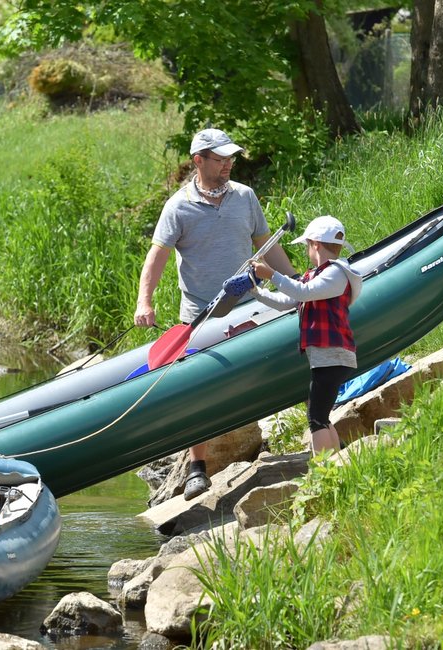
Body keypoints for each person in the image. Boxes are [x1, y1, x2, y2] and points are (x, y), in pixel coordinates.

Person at [134, 127, 295, 500]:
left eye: (230, 158)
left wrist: (296, 282)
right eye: (220, 159)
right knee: (197, 392)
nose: (228, 164)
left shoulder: (245, 196)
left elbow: (265, 246)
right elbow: (156, 256)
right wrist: (145, 301)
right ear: (198, 161)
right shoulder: (178, 206)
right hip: (200, 315)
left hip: (251, 303)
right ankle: (196, 468)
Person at [248, 216, 363, 455]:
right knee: (320, 415)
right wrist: (256, 292)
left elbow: (302, 292)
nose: (307, 251)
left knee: (316, 417)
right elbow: (286, 301)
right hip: (325, 356)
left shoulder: (336, 274)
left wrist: (271, 274)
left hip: (334, 354)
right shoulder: (317, 275)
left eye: (307, 245)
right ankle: (335, 463)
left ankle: (323, 470)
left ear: (316, 245)